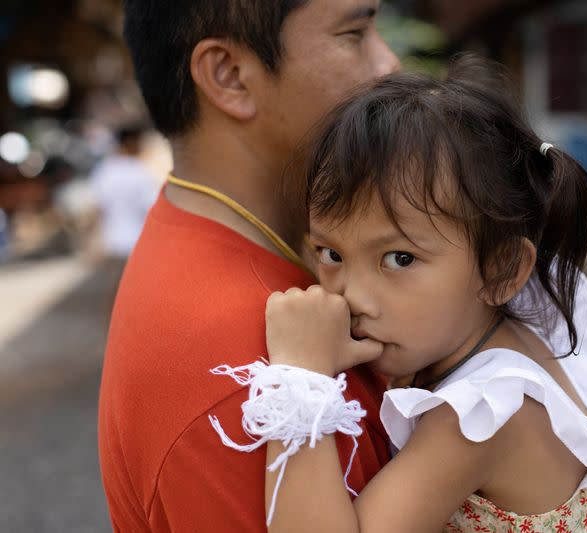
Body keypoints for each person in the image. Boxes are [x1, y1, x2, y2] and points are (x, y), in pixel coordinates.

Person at [213, 60, 587, 532]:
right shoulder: (506, 322)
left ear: (502, 269)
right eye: (330, 253)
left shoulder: (482, 415)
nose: (352, 296)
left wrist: (299, 373)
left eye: (399, 259)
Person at [97, 1, 399, 531]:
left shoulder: (240, 250)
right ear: (230, 76)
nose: (389, 63)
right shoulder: (253, 380)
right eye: (355, 33)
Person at [89, 126, 158, 262]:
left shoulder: (104, 170)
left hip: (112, 243)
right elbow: (150, 208)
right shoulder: (139, 171)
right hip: (137, 243)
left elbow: (99, 208)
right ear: (131, 142)